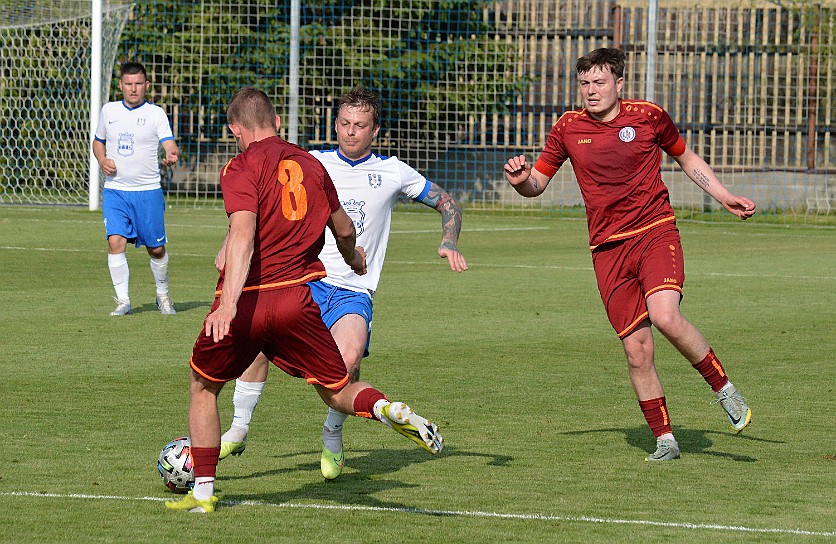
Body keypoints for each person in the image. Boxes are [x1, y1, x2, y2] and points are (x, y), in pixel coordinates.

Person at [165, 87, 443, 513]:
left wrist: (226, 305)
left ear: (235, 130)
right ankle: (385, 408)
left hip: (253, 302)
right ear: (276, 122)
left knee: (203, 386)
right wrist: (354, 259)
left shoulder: (239, 167)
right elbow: (345, 230)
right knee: (337, 388)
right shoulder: (312, 164)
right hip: (300, 299)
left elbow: (241, 235)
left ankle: (202, 493)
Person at [504, 48, 755, 461]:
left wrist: (724, 196)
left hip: (655, 232)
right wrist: (519, 181)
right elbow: (537, 185)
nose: (590, 91)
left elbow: (686, 157)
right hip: (607, 249)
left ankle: (723, 389)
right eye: (584, 83)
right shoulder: (568, 127)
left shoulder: (649, 116)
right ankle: (665, 441)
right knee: (637, 349)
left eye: (599, 83)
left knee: (665, 315)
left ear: (620, 84)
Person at [217, 86, 467, 480]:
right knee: (259, 339)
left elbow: (447, 202)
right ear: (335, 125)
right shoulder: (310, 162)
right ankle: (238, 429)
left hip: (354, 289)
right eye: (345, 124)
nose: (351, 132)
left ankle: (332, 436)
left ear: (376, 130)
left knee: (346, 361)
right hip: (305, 277)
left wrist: (448, 242)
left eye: (360, 125)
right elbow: (256, 209)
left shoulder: (393, 171)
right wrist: (228, 243)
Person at [92, 61, 179, 316]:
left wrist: (171, 155)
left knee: (156, 249)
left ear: (146, 85)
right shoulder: (109, 111)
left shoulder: (156, 114)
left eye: (138, 84)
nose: (133, 89)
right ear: (120, 85)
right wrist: (101, 160)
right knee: (115, 241)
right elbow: (98, 142)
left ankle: (162, 295)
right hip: (116, 190)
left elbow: (170, 144)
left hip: (148, 191)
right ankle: (123, 301)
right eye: (128, 84)